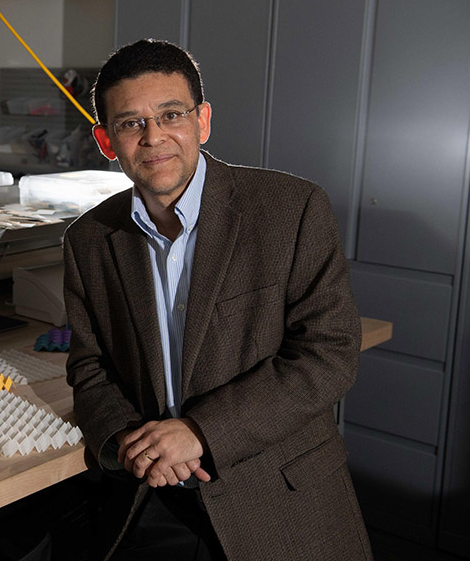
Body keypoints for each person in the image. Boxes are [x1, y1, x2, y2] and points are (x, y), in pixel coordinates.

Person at [63, 39, 373, 560]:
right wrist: (125, 441)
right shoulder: (89, 239)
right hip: (156, 498)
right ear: (106, 140)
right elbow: (90, 365)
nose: (154, 137)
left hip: (277, 498)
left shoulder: (291, 209)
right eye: (130, 122)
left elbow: (329, 354)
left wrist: (199, 432)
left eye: (171, 114)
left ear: (202, 121)